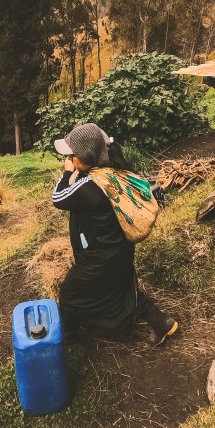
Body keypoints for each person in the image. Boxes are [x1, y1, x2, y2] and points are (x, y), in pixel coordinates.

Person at [51, 122, 179, 345]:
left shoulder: (91, 187)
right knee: (121, 292)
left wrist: (67, 173)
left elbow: (58, 198)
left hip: (99, 259)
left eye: (72, 155)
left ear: (86, 156)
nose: (69, 158)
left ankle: (70, 338)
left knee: (70, 293)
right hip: (120, 251)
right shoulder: (114, 173)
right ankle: (163, 323)